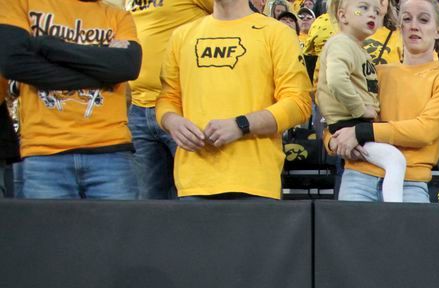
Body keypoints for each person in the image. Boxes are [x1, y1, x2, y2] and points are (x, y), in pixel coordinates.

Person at [157, 0, 313, 199]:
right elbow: (167, 98)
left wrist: (242, 125)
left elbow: (299, 103)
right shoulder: (181, 35)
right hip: (193, 182)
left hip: (255, 182)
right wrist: (172, 121)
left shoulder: (277, 33)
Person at [0, 0, 142, 199]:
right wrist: (103, 74)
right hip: (44, 151)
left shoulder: (118, 15)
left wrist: (46, 45)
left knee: (118, 229)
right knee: (49, 230)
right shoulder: (22, 3)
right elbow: (14, 64)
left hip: (111, 149)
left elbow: (127, 67)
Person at [329, 0, 439, 201]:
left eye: (423, 20)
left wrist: (361, 132)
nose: (413, 26)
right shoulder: (376, 72)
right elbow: (338, 115)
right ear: (399, 28)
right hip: (358, 178)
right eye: (406, 19)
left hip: (410, 183)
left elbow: (424, 130)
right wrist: (334, 142)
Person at [318, 0, 409, 201]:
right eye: (364, 8)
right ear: (342, 16)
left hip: (355, 124)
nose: (372, 14)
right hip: (349, 123)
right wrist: (360, 109)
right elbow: (336, 80)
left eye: (377, 11)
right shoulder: (341, 43)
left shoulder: (357, 48)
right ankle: (395, 213)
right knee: (395, 160)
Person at [126, 0, 214, 200]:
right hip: (139, 108)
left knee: (194, 194)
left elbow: (234, 15)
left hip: (184, 107)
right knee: (147, 200)